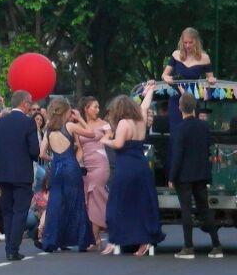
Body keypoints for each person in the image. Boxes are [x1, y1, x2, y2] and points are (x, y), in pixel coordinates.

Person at [102, 88, 165, 256]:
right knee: (142, 203)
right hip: (141, 166)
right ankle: (145, 240)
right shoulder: (141, 120)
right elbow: (145, 105)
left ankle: (116, 238)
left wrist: (105, 140)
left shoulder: (123, 123)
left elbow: (119, 144)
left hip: (126, 167)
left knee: (118, 203)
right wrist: (150, 90)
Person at [169, 93, 223, 259]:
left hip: (184, 175)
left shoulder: (180, 128)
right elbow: (208, 147)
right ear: (194, 107)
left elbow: (177, 154)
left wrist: (172, 177)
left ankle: (188, 247)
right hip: (201, 173)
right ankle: (216, 246)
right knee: (205, 209)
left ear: (180, 108)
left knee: (186, 210)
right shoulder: (204, 126)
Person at [0, 90, 40, 260]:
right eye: (30, 103)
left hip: (3, 174)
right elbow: (34, 150)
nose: (31, 106)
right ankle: (13, 248)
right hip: (22, 174)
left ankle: (8, 248)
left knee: (8, 211)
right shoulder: (28, 123)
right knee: (20, 211)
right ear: (24, 103)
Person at [38, 98, 92, 252]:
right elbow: (91, 133)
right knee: (76, 201)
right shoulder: (70, 126)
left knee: (55, 204)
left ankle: (52, 240)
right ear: (66, 111)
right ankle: (81, 240)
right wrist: (80, 118)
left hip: (56, 167)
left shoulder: (48, 130)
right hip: (70, 166)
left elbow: (41, 153)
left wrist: (53, 158)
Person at [160, 28, 216, 140]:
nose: (188, 45)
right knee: (176, 132)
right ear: (182, 42)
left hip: (192, 98)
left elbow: (210, 77)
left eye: (191, 42)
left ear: (196, 41)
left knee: (191, 132)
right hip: (176, 98)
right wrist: (167, 78)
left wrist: (211, 80)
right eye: (185, 42)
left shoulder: (204, 58)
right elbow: (164, 75)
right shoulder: (176, 55)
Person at [75, 97, 112, 249]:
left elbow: (109, 136)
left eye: (98, 107)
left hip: (100, 163)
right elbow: (79, 148)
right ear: (86, 108)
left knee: (97, 194)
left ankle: (100, 234)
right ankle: (95, 238)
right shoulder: (78, 126)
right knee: (89, 201)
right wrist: (75, 165)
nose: (97, 110)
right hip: (87, 166)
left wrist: (103, 139)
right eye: (94, 107)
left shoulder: (104, 124)